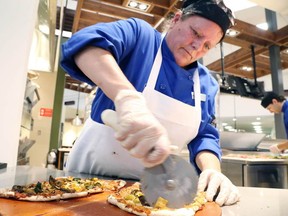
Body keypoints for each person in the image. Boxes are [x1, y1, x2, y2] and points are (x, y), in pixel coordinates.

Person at [60, 0, 240, 206]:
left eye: (208, 45)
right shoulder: (141, 38)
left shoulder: (206, 84)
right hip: (86, 184)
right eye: (196, 33)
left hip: (148, 196)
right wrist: (126, 98)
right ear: (177, 19)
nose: (197, 46)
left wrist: (212, 171)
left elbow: (204, 135)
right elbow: (87, 43)